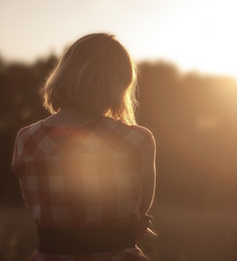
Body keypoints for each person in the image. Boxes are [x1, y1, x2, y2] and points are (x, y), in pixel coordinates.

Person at [11, 33, 156, 261]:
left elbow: (36, 207)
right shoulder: (138, 140)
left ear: (66, 73)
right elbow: (139, 210)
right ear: (118, 85)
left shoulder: (27, 139)